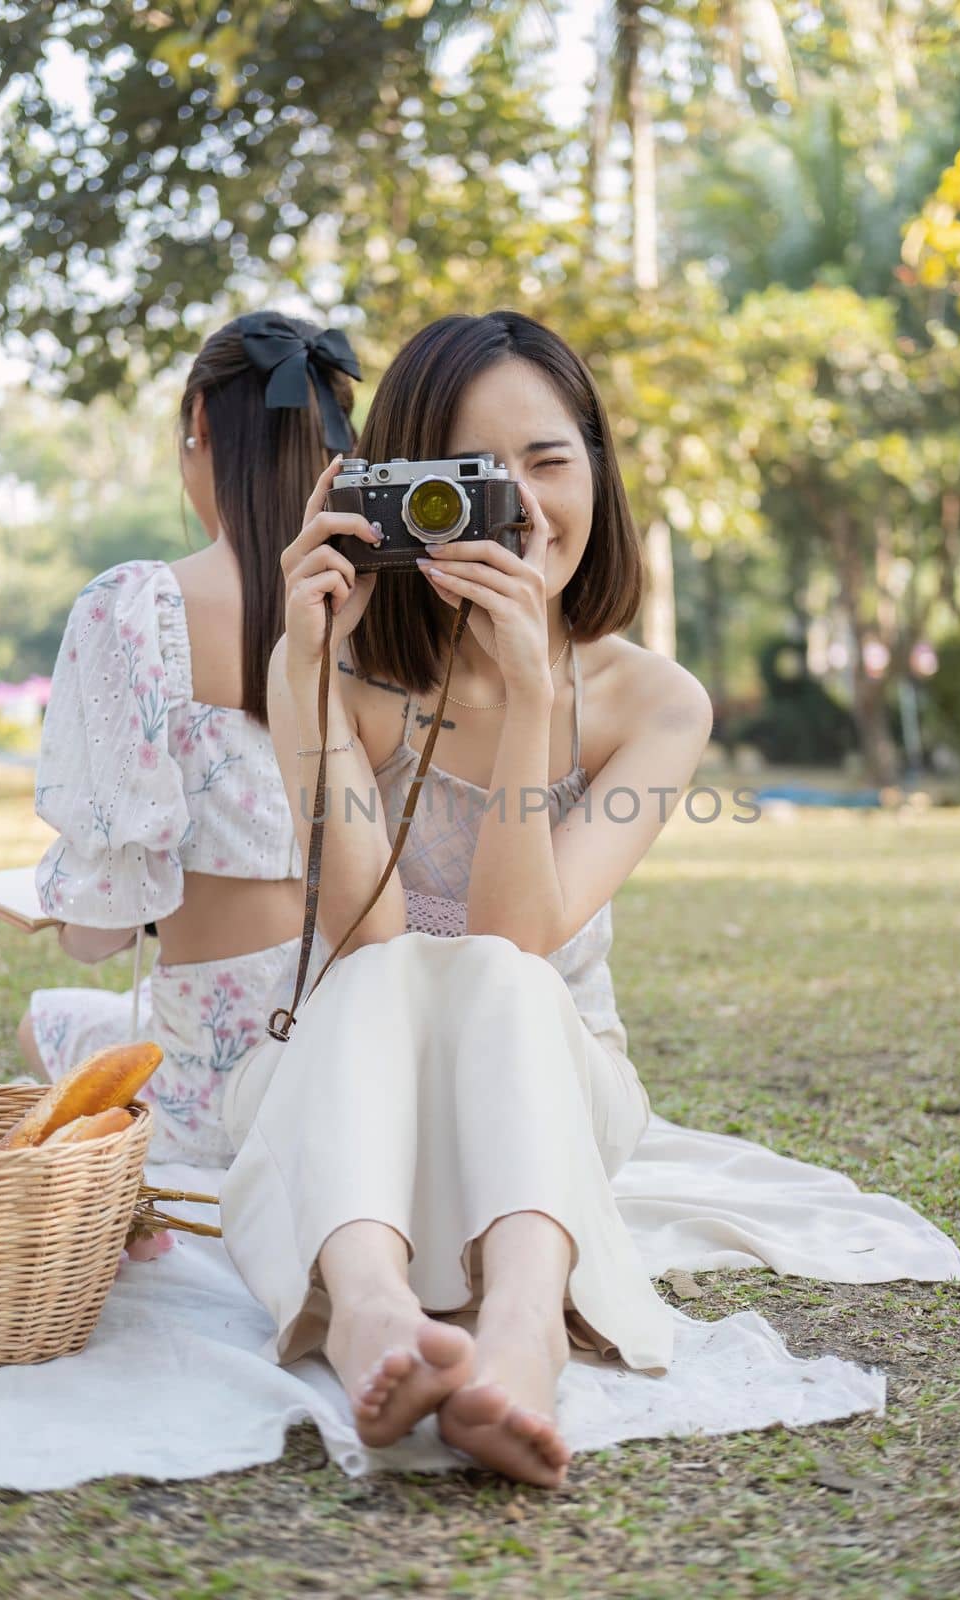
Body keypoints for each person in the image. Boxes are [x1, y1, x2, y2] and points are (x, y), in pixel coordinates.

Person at [217, 309, 713, 1489]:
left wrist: (528, 690)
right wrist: (303, 674)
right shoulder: (333, 665)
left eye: (548, 460)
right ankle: (373, 1314)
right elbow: (366, 933)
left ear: (596, 466)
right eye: (466, 477)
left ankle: (524, 1326)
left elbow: (515, 940)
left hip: (541, 1084)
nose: (519, 509)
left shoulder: (654, 702)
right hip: (359, 1085)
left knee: (496, 971)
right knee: (390, 969)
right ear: (390, 492)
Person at [15, 310, 362, 1167]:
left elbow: (102, 931)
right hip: (366, 1040)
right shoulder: (376, 609)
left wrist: (55, 913)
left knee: (42, 1020)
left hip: (219, 1067)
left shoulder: (138, 607)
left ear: (200, 426)